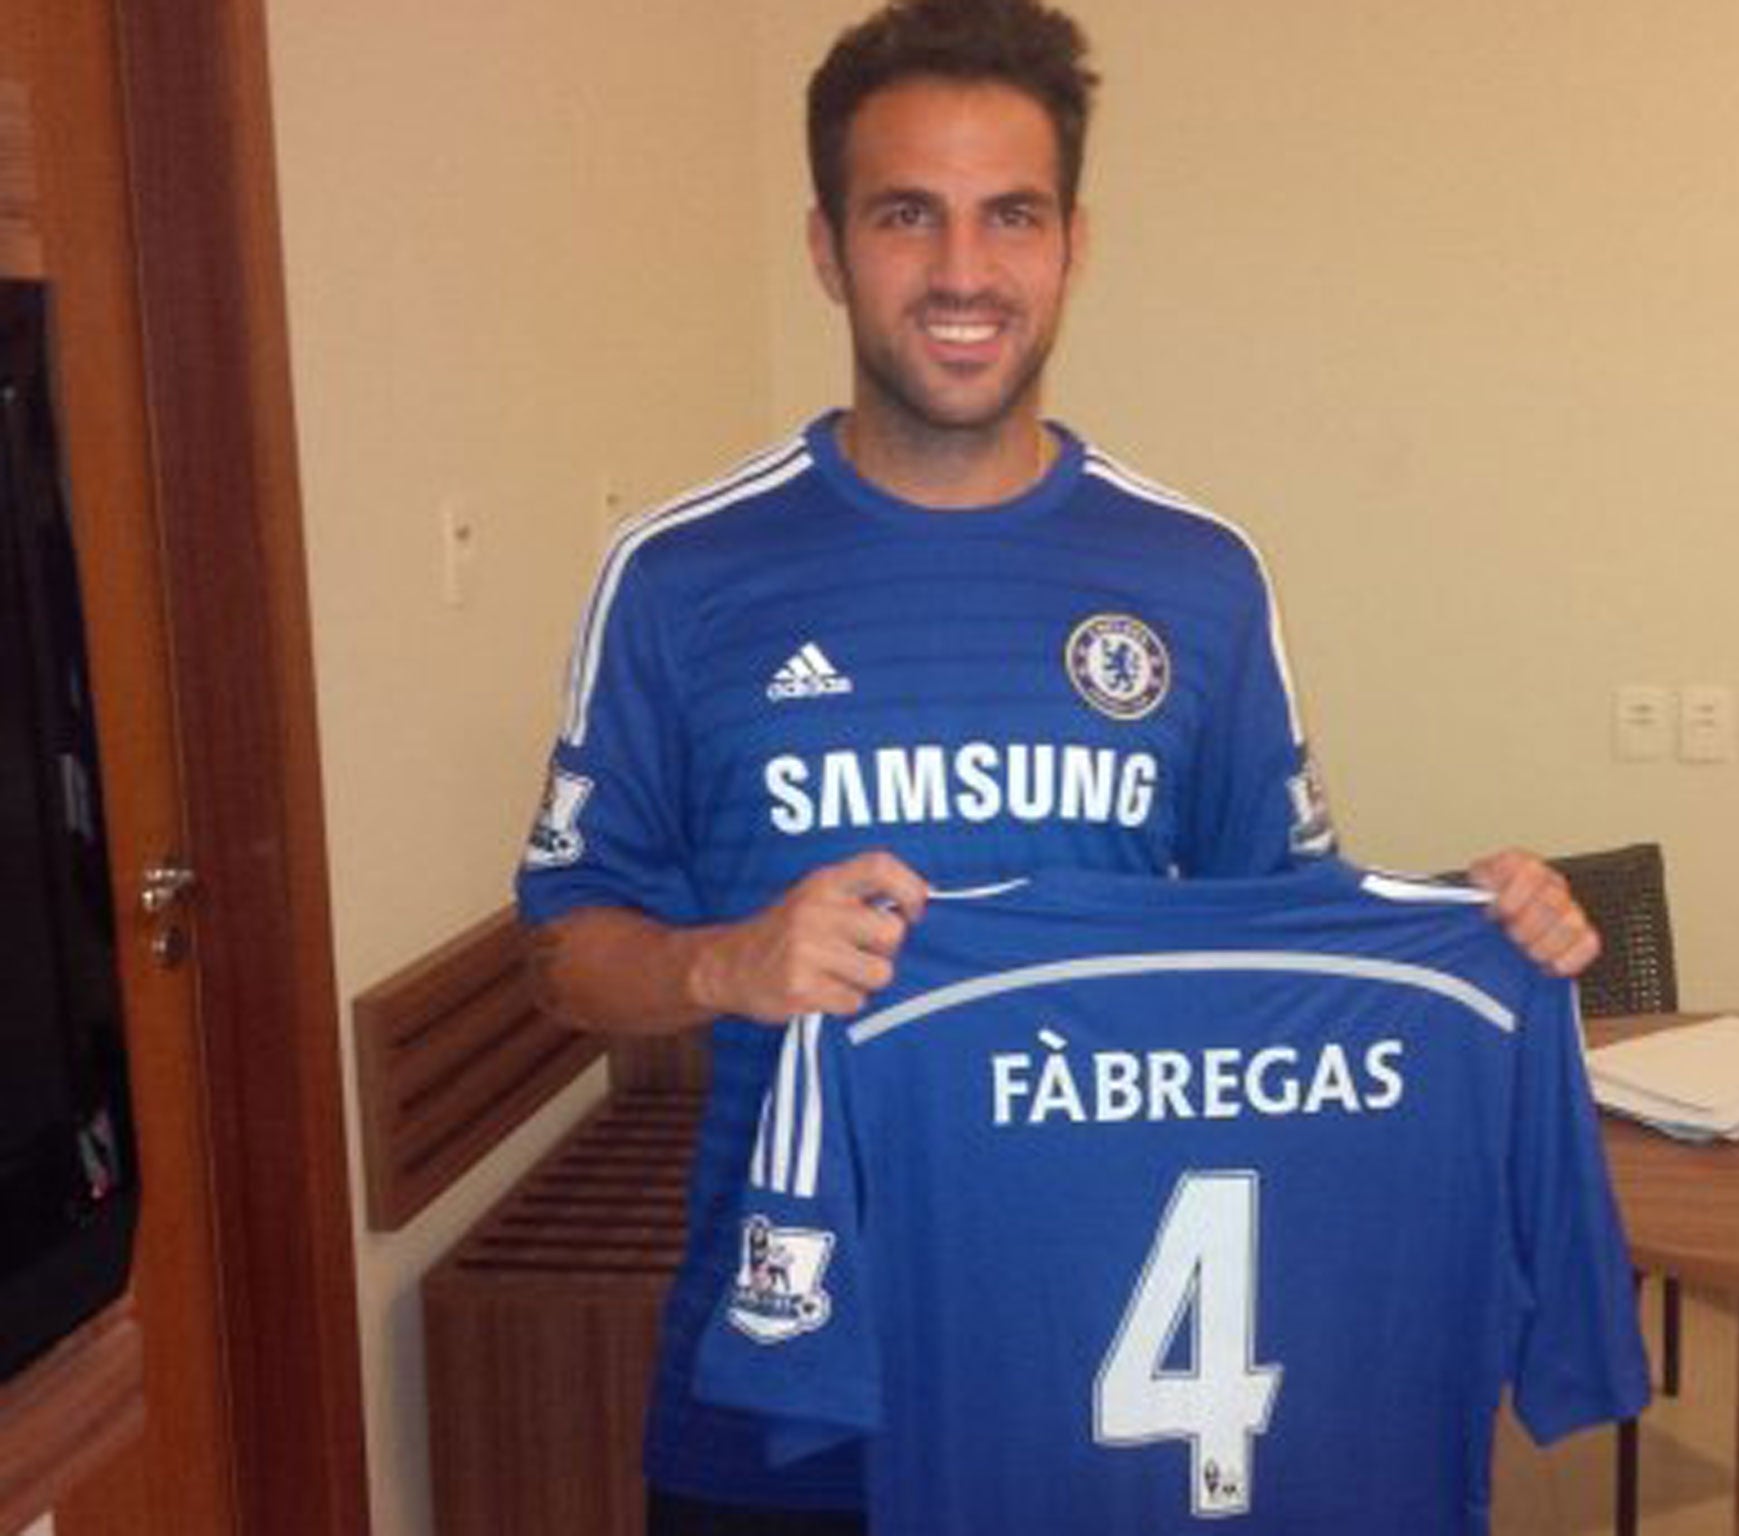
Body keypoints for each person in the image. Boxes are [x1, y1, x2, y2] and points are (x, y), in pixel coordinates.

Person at [516, 2, 1599, 1532]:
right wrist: (723, 965)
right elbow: (566, 963)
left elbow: (1277, 936)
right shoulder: (683, 576)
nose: (963, 273)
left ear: (1073, 244)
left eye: (1009, 216)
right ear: (827, 247)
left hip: (1088, 1368)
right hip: (783, 1376)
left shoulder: (1197, 575)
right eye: (908, 215)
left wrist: (1469, 924)